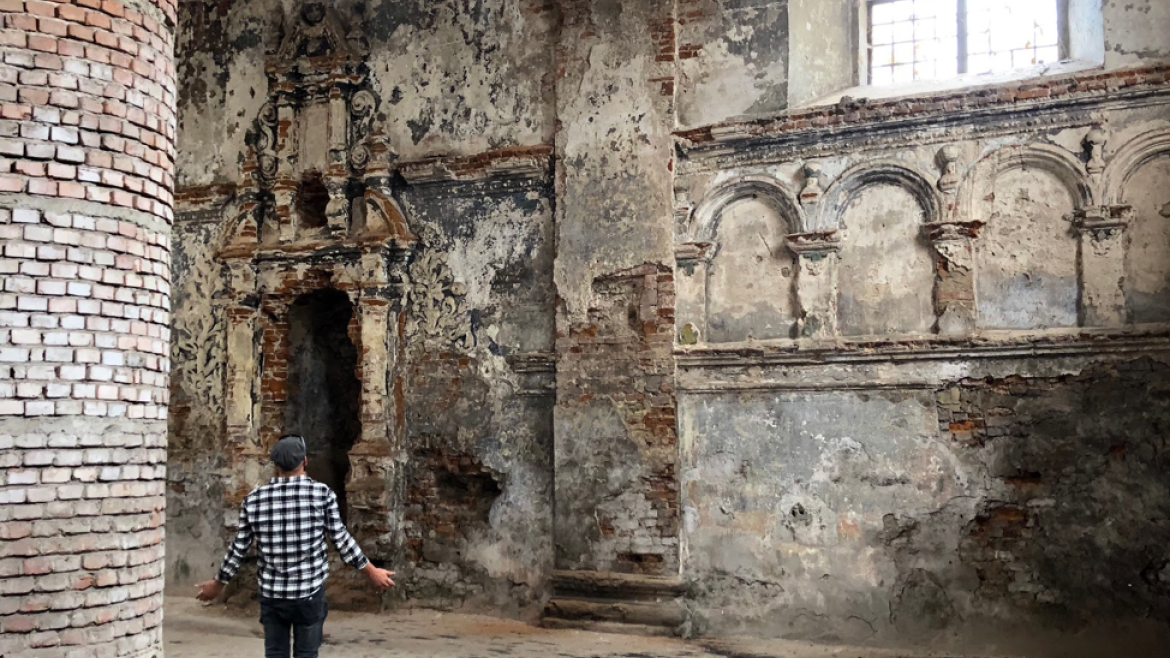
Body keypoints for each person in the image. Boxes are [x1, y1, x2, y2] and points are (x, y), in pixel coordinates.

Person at [195, 434, 396, 658]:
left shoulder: (254, 500)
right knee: (307, 654)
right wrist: (371, 571)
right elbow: (341, 540)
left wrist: (218, 582)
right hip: (308, 595)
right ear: (304, 461)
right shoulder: (322, 495)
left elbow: (239, 548)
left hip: (272, 596)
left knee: (275, 653)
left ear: (275, 465)